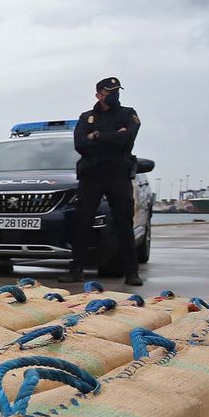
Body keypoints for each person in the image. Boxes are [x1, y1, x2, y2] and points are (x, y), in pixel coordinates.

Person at [62, 76, 142, 286]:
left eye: (116, 91)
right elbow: (80, 144)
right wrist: (112, 136)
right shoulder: (86, 117)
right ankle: (76, 269)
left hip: (117, 174)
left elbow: (127, 138)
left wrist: (96, 136)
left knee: (124, 222)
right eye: (109, 92)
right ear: (98, 94)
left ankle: (131, 272)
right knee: (82, 222)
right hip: (92, 176)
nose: (114, 95)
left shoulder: (128, 114)